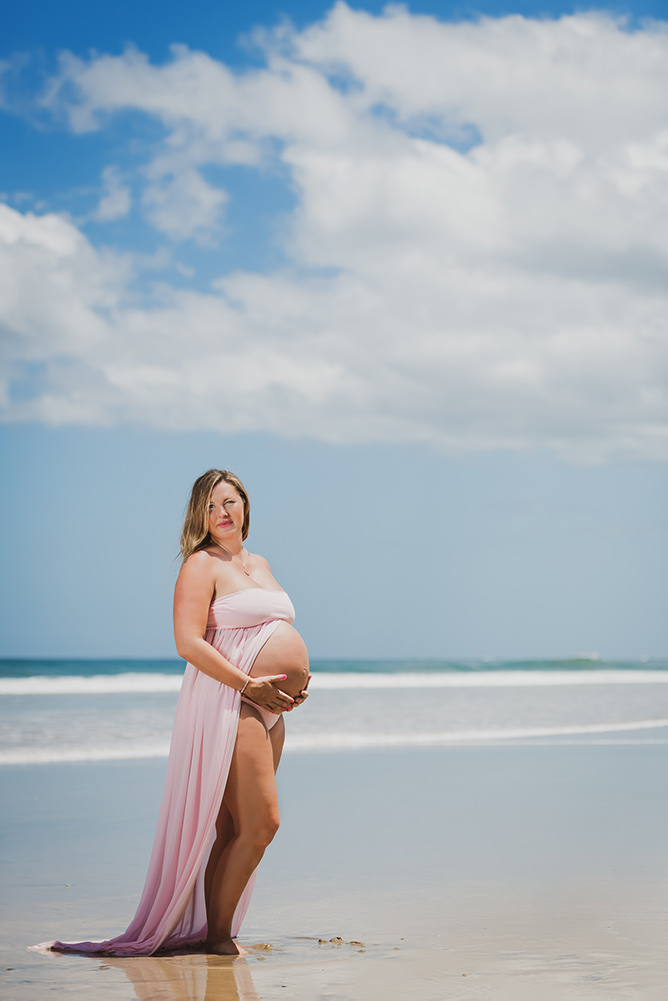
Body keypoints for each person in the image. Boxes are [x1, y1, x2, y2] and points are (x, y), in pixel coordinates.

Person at [38, 469, 310, 957]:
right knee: (262, 824)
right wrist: (249, 683)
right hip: (232, 702)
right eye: (210, 506)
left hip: (271, 711)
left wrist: (291, 687)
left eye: (229, 502)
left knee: (233, 829)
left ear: (245, 505)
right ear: (198, 516)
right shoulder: (200, 564)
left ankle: (214, 932)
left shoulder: (261, 563)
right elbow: (187, 642)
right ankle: (218, 939)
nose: (221, 513)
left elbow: (264, 631)